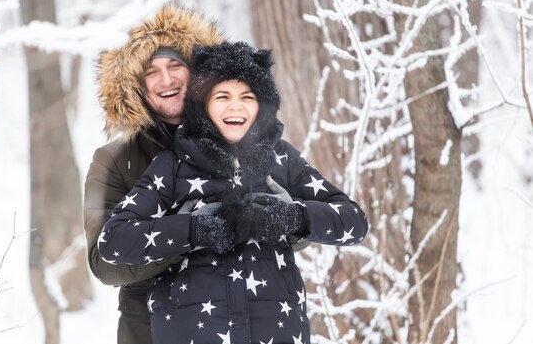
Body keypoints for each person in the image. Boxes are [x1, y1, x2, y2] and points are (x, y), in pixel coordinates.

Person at [97, 41, 369, 344]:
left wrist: (292, 217)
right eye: (222, 96)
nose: (235, 106)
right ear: (202, 105)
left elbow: (354, 222)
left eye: (247, 97)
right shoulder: (172, 165)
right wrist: (194, 229)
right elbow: (113, 241)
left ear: (262, 105)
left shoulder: (281, 159)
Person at [83, 4, 224, 344]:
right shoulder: (113, 161)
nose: (167, 79)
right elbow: (103, 263)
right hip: (149, 330)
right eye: (151, 71)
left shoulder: (237, 135)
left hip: (233, 323)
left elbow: (297, 227)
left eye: (176, 64)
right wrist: (187, 233)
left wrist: (282, 220)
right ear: (134, 86)